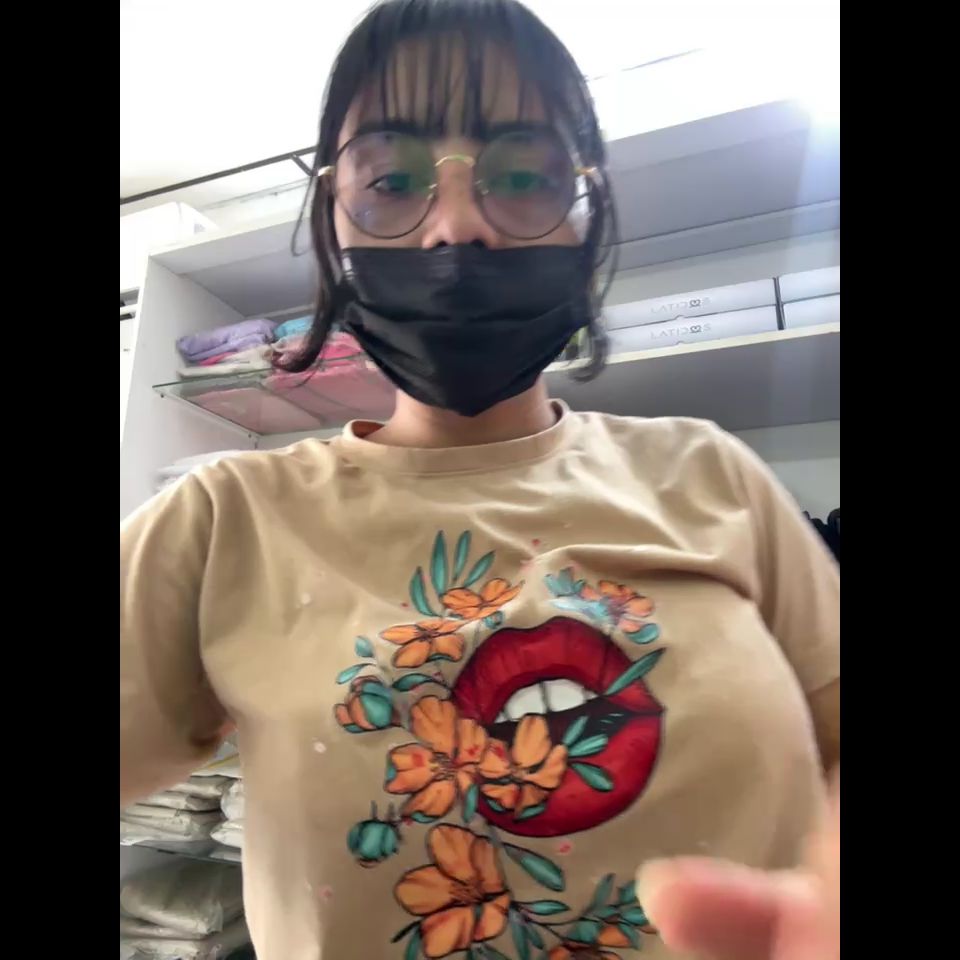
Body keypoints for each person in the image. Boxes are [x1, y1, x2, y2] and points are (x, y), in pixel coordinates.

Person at [120, 2, 839, 958]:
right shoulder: (221, 521)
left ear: (587, 212)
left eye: (524, 176)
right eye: (392, 180)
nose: (457, 229)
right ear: (332, 217)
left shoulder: (715, 476)